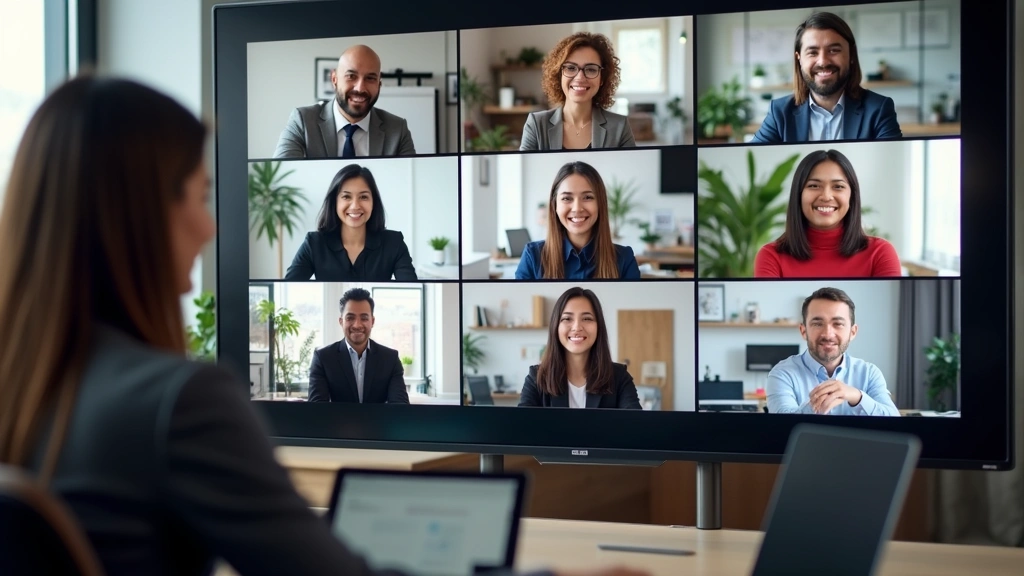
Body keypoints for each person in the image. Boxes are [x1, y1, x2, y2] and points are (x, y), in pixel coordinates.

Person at [0, 75, 648, 576]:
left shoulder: (23, 381)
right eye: (198, 196)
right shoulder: (180, 402)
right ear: (133, 214)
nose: (211, 227)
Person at [750, 12, 902, 143]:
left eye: (834, 50)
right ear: (799, 59)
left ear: (851, 55)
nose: (823, 61)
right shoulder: (779, 112)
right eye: (813, 52)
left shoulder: (879, 109)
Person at [754, 149, 901, 277]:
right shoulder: (771, 256)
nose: (826, 196)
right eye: (814, 185)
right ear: (798, 194)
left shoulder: (880, 253)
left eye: (838, 186)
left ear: (852, 195)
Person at [766, 287, 900, 416]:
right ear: (803, 331)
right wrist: (817, 405)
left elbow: (894, 420)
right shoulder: (782, 374)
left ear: (852, 332)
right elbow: (782, 427)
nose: (828, 334)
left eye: (838, 324)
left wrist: (857, 396)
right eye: (818, 324)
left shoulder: (869, 373)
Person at [274, 44, 416, 158]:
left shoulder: (398, 129)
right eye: (351, 76)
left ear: (379, 84)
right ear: (334, 79)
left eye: (370, 78)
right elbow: (283, 179)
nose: (360, 88)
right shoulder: (302, 121)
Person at [285, 163, 418, 281]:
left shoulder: (394, 242)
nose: (355, 206)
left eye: (363, 197)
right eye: (346, 197)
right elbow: (291, 284)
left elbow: (412, 286)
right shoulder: (313, 243)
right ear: (335, 202)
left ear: (374, 202)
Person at [519, 287, 642, 409]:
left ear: (599, 327)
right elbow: (521, 426)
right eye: (567, 319)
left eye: (587, 319)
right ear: (556, 326)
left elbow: (635, 425)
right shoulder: (536, 377)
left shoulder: (619, 377)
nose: (577, 327)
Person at [515, 161, 640, 279]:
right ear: (555, 205)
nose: (577, 208)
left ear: (600, 204)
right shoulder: (532, 256)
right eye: (566, 198)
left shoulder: (624, 258)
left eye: (587, 197)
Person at [520, 32, 636, 150]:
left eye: (591, 69)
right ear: (559, 75)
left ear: (602, 79)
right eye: (570, 68)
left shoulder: (619, 126)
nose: (580, 77)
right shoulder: (536, 124)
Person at [307, 288, 410, 404]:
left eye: (364, 318)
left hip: (378, 422)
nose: (357, 325)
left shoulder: (390, 358)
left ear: (372, 321)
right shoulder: (323, 358)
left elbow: (400, 408)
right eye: (350, 318)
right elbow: (317, 410)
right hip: (337, 422)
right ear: (341, 321)